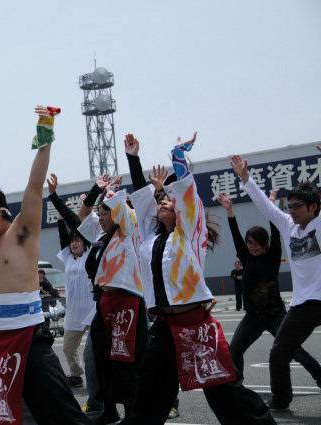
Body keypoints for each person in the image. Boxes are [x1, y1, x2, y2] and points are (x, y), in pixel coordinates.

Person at [0, 106, 92, 425]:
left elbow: (35, 185)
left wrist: (45, 130)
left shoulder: (22, 233)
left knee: (63, 416)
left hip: (29, 337)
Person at [124, 133, 275, 425]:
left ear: (180, 210)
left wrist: (178, 157)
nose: (163, 202)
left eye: (169, 200)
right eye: (161, 200)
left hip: (195, 325)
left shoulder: (190, 233)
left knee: (225, 392)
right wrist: (133, 158)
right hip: (164, 327)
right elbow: (142, 200)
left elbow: (188, 196)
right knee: (149, 392)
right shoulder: (150, 237)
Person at [231, 148, 321, 410]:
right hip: (303, 304)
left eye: (297, 206)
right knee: (279, 353)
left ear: (313, 207)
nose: (291, 211)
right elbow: (264, 205)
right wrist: (245, 179)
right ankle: (281, 400)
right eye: (289, 206)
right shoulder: (287, 225)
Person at [217, 192, 321, 394]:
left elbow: (275, 228)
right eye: (250, 243)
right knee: (234, 351)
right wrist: (230, 211)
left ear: (265, 243)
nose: (252, 247)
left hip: (274, 314)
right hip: (252, 317)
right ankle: (237, 388)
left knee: (294, 351)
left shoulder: (273, 255)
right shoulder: (246, 257)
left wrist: (271, 207)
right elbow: (235, 235)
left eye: (257, 243)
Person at [75, 172, 147, 425]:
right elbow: (83, 213)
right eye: (100, 214)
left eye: (105, 214)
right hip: (104, 301)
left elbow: (121, 209)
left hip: (126, 301)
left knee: (124, 357)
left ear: (116, 214)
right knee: (101, 357)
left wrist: (111, 192)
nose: (101, 218)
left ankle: (131, 412)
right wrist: (97, 189)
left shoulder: (128, 230)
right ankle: (109, 409)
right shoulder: (100, 235)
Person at [46, 173, 96, 390]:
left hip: (93, 310)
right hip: (74, 311)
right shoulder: (68, 257)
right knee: (68, 347)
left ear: (85, 243)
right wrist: (59, 220)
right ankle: (76, 375)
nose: (74, 244)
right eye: (72, 241)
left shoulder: (90, 255)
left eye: (78, 240)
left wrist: (60, 205)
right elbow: (62, 240)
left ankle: (100, 378)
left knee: (94, 350)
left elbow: (79, 226)